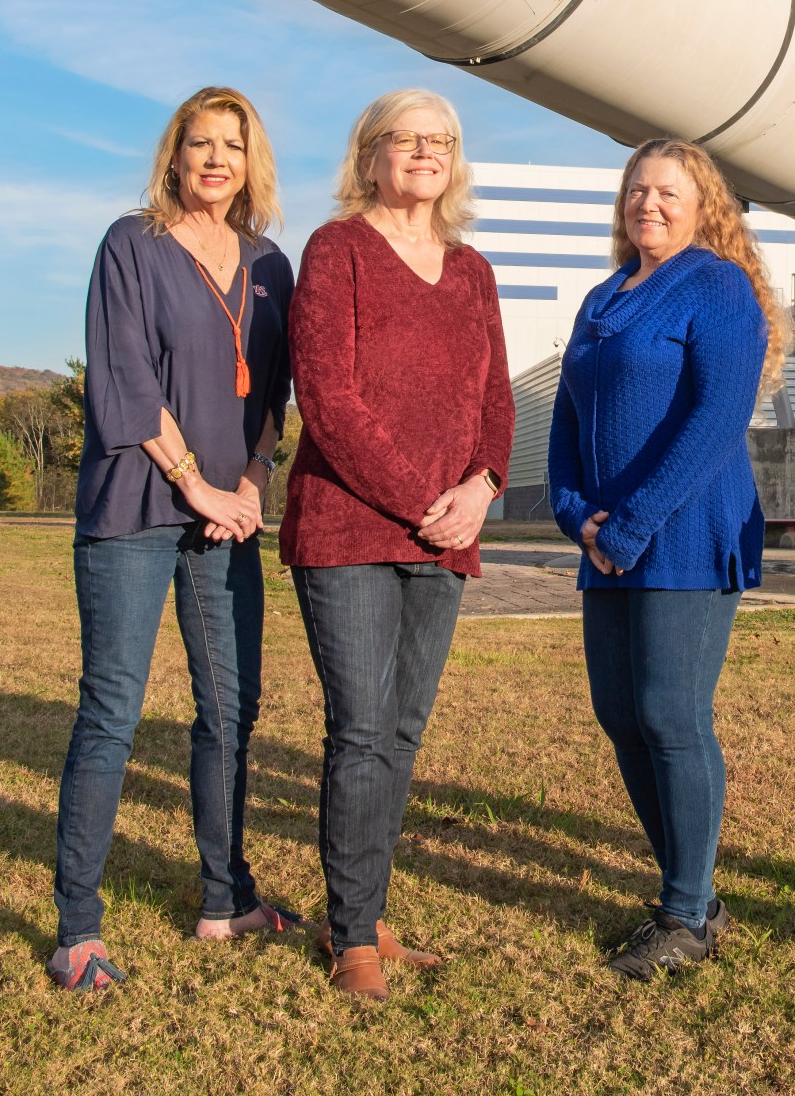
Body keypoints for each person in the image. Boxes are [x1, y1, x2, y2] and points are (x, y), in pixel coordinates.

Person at [48, 87, 299, 992]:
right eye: (200, 143)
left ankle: (226, 895)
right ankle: (78, 927)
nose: (216, 159)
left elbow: (273, 399)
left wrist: (247, 487)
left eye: (232, 145)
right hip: (137, 506)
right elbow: (120, 376)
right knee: (112, 711)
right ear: (175, 154)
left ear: (250, 160)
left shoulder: (272, 265)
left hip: (226, 517)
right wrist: (194, 481)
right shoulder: (133, 243)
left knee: (233, 710)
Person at [282, 88, 514, 1002]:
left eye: (442, 141)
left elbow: (497, 401)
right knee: (362, 729)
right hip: (348, 527)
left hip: (447, 532)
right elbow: (328, 400)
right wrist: (427, 498)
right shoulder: (335, 250)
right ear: (370, 154)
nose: (426, 153)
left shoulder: (474, 270)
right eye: (407, 139)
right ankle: (351, 938)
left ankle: (368, 910)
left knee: (403, 733)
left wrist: (482, 489)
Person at [547, 138, 781, 980]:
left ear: (702, 203)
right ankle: (693, 888)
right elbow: (566, 420)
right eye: (637, 190)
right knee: (620, 715)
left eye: (668, 192)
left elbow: (717, 419)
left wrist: (631, 522)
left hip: (682, 530)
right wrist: (577, 516)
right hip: (606, 539)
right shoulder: (603, 296)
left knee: (670, 715)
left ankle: (686, 911)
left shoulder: (717, 286)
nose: (649, 203)